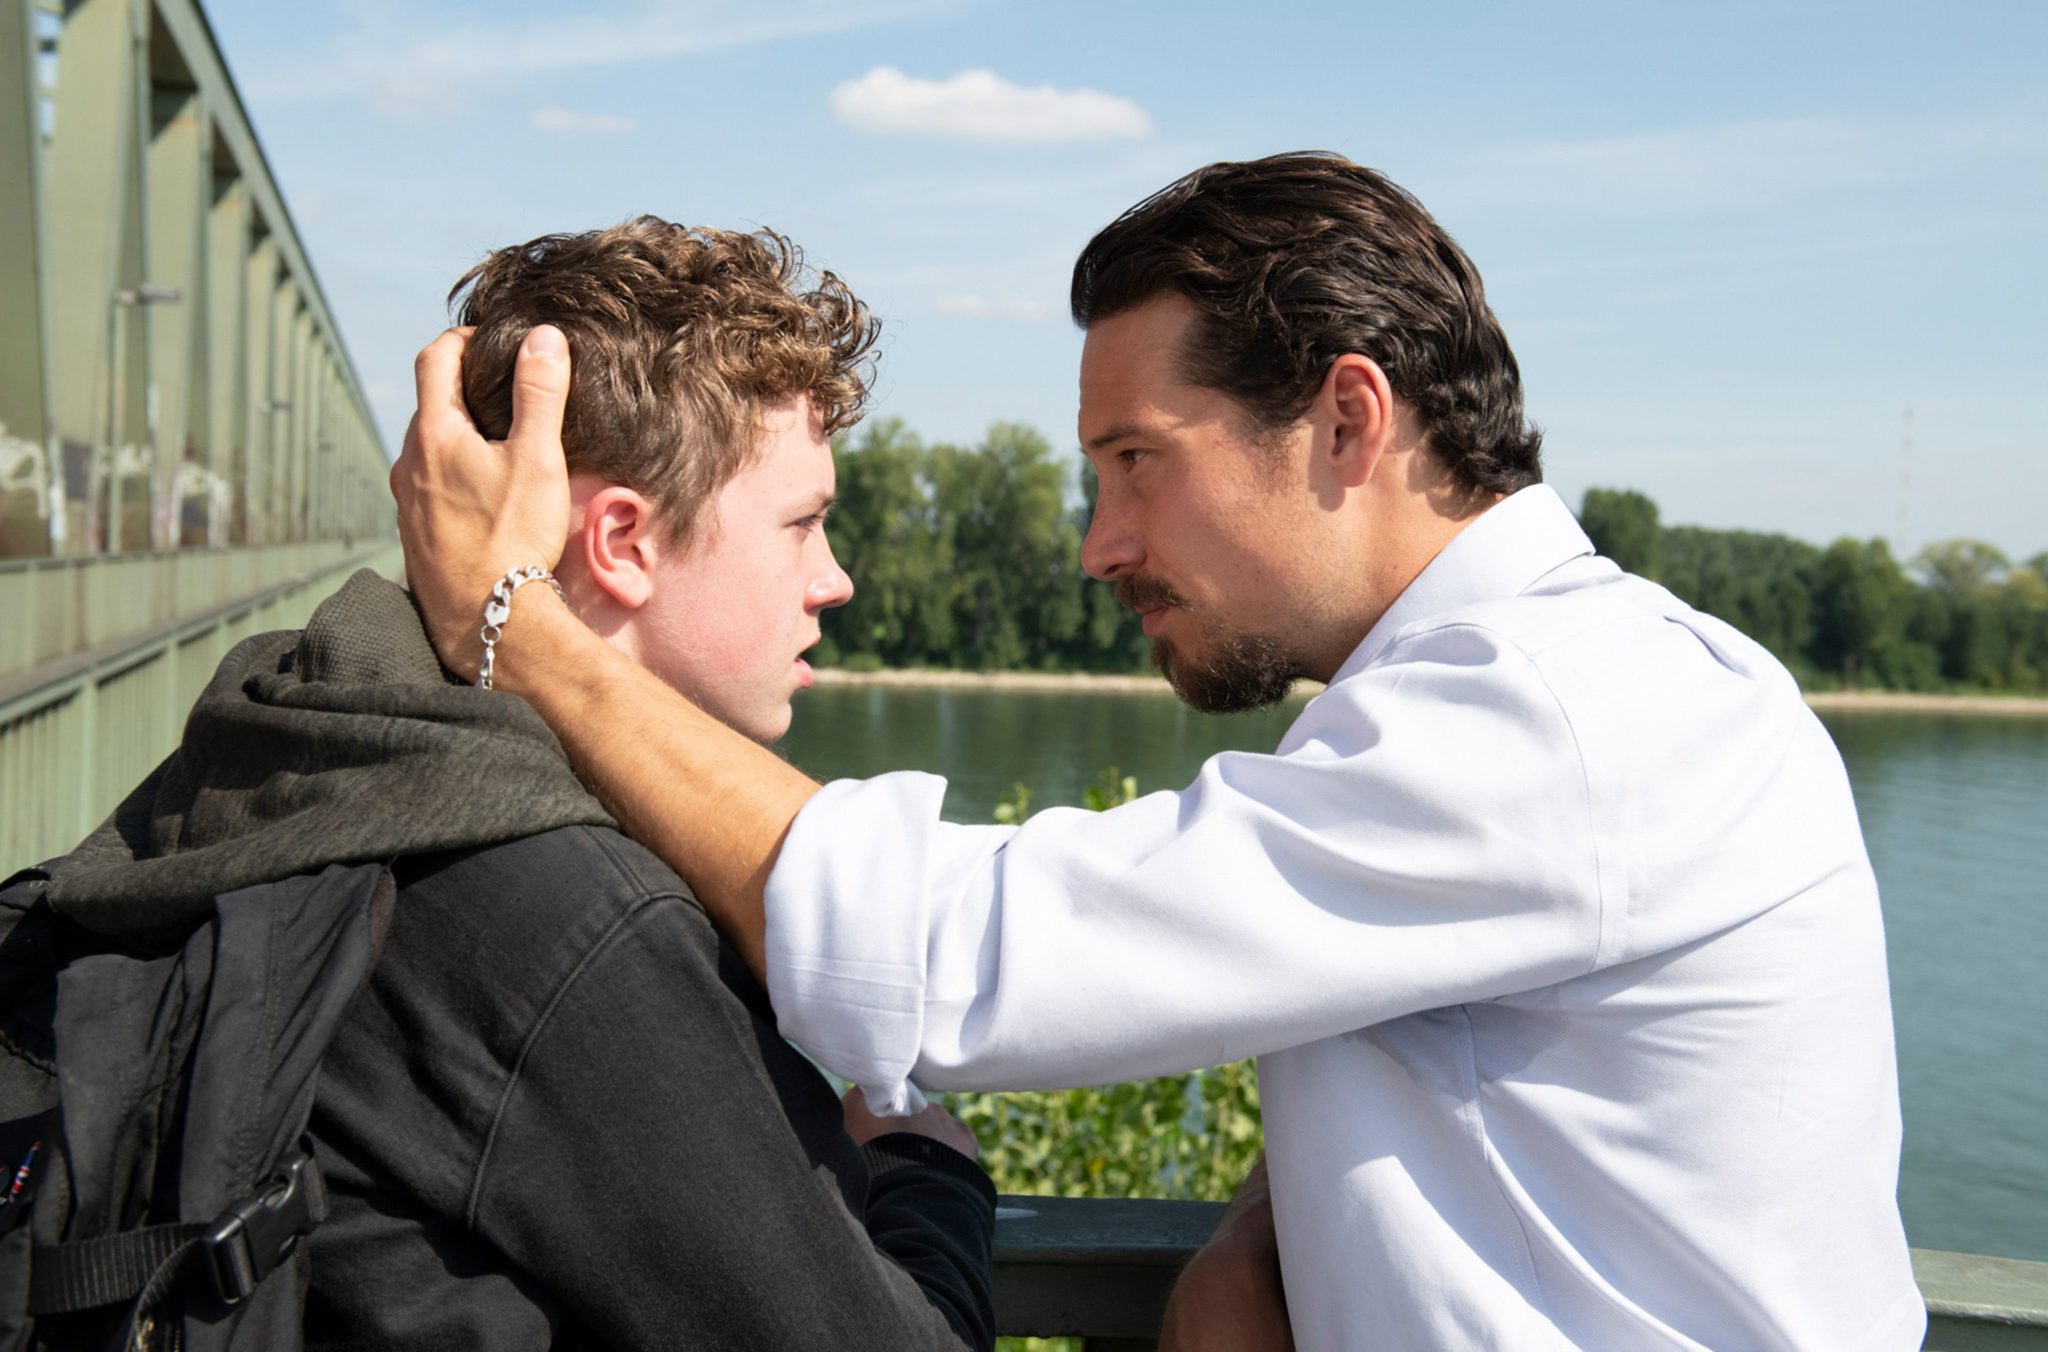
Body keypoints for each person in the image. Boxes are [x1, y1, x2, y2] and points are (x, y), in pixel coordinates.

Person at [389, 154, 1925, 1350]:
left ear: (1347, 420)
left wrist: (522, 623)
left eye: (1138, 463)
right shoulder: (1519, 700)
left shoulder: (1562, 719)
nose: (1101, 545)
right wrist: (1272, 1238)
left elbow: (936, 958)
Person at [42, 219, 997, 1351]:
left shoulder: (284, 750)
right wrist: (926, 1174)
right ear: (623, 541)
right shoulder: (574, 924)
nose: (833, 579)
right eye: (804, 523)